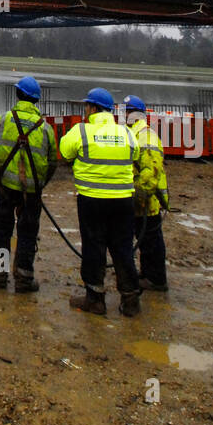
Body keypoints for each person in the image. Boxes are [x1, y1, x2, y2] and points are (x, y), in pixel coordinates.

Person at [60, 88, 141, 316]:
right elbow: (135, 155)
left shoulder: (81, 131)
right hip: (123, 201)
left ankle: (95, 299)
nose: (85, 110)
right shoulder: (126, 133)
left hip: (92, 201)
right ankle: (131, 299)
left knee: (94, 247)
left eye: (87, 106)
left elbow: (64, 152)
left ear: (93, 108)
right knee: (123, 248)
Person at [0, 75, 57, 293]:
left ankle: (0, 275)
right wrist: (40, 184)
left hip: (6, 187)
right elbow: (52, 161)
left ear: (18, 94)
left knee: (2, 230)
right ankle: (24, 278)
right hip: (32, 191)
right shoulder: (45, 128)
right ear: (36, 99)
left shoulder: (4, 120)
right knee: (28, 232)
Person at [123, 94, 169, 292]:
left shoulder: (146, 136)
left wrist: (139, 197)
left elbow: (151, 173)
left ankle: (157, 279)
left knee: (151, 240)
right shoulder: (134, 134)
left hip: (147, 201)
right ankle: (147, 273)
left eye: (127, 112)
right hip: (139, 199)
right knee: (145, 240)